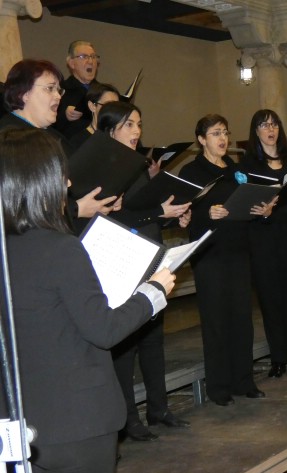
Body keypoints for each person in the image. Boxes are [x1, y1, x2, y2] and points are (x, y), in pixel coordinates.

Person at [0, 127, 175, 473]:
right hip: (78, 425)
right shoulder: (61, 248)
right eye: (60, 172)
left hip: (21, 427)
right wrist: (152, 293)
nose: (67, 181)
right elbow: (104, 329)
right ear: (39, 180)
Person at [95, 100, 192, 441]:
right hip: (122, 259)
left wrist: (171, 214)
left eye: (139, 124)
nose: (137, 131)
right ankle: (129, 420)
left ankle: (159, 408)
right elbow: (111, 219)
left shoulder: (137, 166)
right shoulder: (105, 166)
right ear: (111, 129)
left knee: (152, 338)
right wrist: (157, 212)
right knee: (127, 346)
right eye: (130, 125)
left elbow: (142, 210)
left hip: (150, 253)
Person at [180, 113, 269, 405]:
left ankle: (244, 380)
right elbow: (184, 215)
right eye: (216, 133)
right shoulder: (191, 172)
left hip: (238, 249)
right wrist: (208, 213)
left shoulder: (236, 169)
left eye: (226, 132)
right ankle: (218, 386)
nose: (223, 139)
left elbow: (244, 206)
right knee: (216, 321)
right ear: (202, 139)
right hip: (210, 254)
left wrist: (261, 210)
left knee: (242, 318)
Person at [0, 58, 121, 229]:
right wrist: (76, 209)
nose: (58, 96)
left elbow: (77, 178)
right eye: (50, 89)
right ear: (23, 93)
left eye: (58, 90)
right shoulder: (9, 139)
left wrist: (106, 197)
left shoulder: (54, 135)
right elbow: (19, 204)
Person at [238, 109, 287, 378]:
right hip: (262, 240)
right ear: (255, 132)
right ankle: (278, 358)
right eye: (264, 125)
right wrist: (265, 213)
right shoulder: (247, 167)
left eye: (274, 125)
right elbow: (244, 207)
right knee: (270, 301)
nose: (270, 130)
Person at [55, 40, 100, 138]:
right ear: (72, 63)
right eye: (84, 57)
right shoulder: (60, 90)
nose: (91, 61)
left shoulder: (104, 92)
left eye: (93, 57)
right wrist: (64, 115)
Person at [68, 81, 120, 149]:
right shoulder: (79, 141)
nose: (113, 111)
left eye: (116, 107)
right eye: (108, 105)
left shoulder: (118, 138)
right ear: (92, 106)